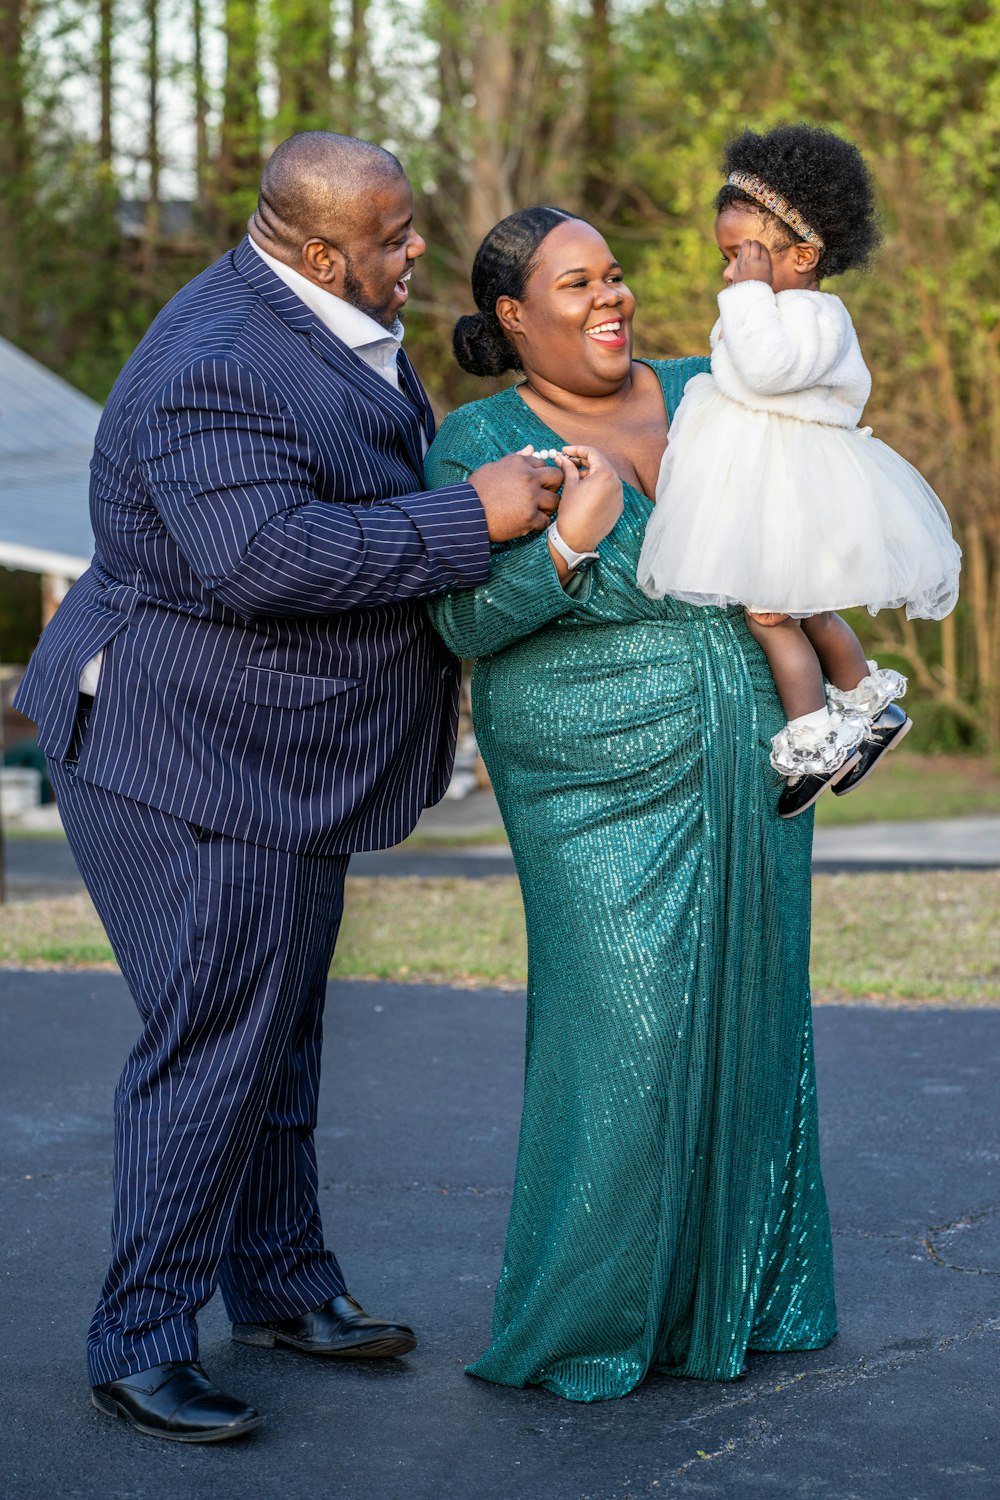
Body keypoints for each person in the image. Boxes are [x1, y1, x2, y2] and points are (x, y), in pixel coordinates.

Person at [13, 132, 564, 1443]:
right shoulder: (212, 363)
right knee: (214, 1046)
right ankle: (140, 1339)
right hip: (191, 758)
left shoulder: (316, 309)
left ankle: (277, 1283)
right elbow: (256, 558)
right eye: (391, 236)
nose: (415, 248)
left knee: (276, 1035)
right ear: (317, 249)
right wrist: (472, 518)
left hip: (269, 748)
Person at [424, 205, 838, 1403]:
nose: (611, 299)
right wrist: (570, 547)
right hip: (589, 783)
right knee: (622, 1034)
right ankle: (587, 1316)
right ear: (513, 316)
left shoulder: (710, 391)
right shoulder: (480, 438)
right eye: (575, 285)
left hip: (757, 755)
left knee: (753, 1012)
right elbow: (461, 624)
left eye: (615, 277)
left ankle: (745, 1293)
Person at [637, 125, 961, 817]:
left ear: (805, 254)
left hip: (795, 483)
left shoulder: (816, 318)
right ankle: (870, 709)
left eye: (742, 259)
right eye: (727, 261)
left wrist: (751, 297)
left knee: (771, 613)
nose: (730, 275)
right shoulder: (781, 309)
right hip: (773, 487)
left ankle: (816, 741)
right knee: (802, 608)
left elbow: (764, 368)